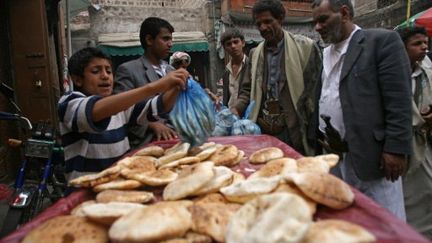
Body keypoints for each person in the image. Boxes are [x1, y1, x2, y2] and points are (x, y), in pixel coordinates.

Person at [311, 0, 412, 220]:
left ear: (344, 13)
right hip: (335, 154)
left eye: (323, 19)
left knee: (383, 220)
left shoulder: (381, 42)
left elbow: (399, 99)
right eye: (315, 22)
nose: (317, 27)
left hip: (372, 156)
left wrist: (395, 148)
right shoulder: (326, 53)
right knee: (347, 218)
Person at [58, 47, 188, 180]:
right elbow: (95, 111)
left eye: (109, 71)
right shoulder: (69, 102)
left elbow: (158, 106)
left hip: (118, 184)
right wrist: (155, 86)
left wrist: (176, 87)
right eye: (96, 71)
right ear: (78, 79)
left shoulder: (119, 107)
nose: (105, 76)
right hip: (85, 189)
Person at [231, 0, 322, 155]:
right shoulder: (255, 54)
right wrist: (235, 109)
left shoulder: (305, 47)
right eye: (258, 24)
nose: (262, 28)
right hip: (263, 128)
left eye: (267, 22)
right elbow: (246, 89)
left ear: (280, 19)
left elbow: (316, 91)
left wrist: (314, 131)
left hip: (295, 129)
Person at [113, 17, 178, 147]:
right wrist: (152, 124)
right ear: (149, 40)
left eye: (171, 39)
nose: (170, 44)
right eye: (165, 39)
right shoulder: (128, 70)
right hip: (146, 143)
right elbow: (119, 111)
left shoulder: (171, 70)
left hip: (178, 137)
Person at [397, 26, 432, 238]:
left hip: (424, 147)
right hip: (399, 148)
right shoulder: (391, 73)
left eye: (426, 43)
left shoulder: (427, 72)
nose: (424, 48)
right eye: (417, 44)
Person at [220, 28, 249, 109]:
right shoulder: (226, 71)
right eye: (228, 44)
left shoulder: (251, 65)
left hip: (249, 116)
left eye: (236, 42)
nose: (233, 46)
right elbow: (227, 97)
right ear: (225, 48)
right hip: (231, 116)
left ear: (243, 43)